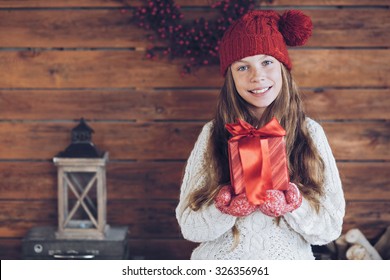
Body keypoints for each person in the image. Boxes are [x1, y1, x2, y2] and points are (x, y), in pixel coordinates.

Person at [175, 10, 345, 260]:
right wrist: (225, 208)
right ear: (230, 77)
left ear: (283, 68)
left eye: (267, 62)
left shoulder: (309, 133)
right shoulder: (213, 133)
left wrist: (293, 205)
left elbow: (330, 229)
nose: (257, 76)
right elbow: (189, 226)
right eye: (243, 67)